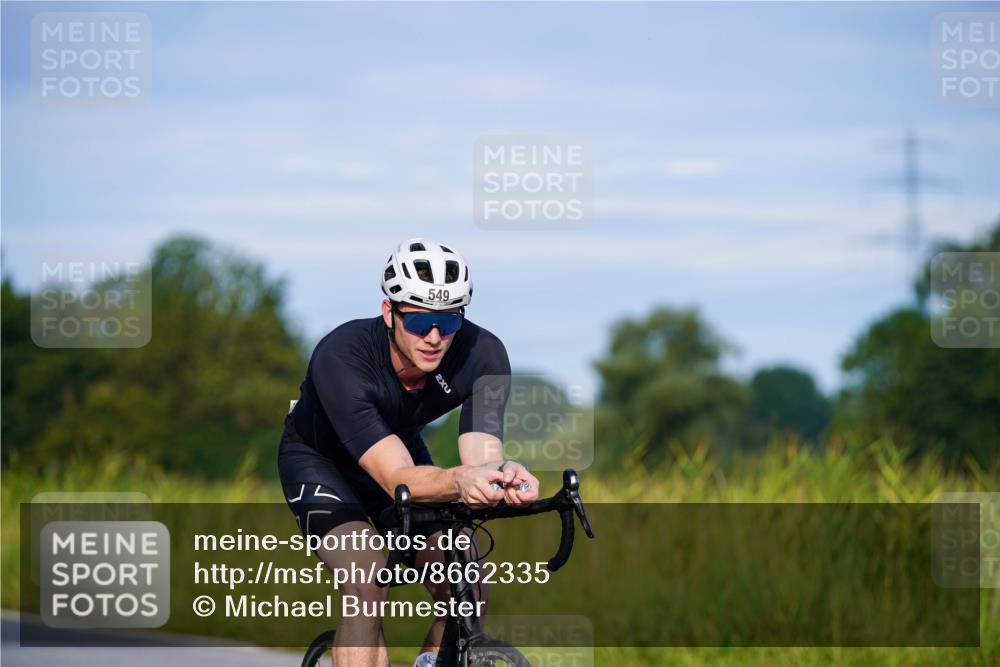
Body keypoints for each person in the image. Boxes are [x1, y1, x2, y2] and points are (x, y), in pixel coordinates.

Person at [278, 238, 539, 667]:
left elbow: (482, 457)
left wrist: (506, 474)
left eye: (448, 322)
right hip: (321, 462)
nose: (434, 338)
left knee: (465, 581)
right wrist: (458, 480)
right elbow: (398, 477)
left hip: (397, 446)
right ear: (389, 312)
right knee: (367, 576)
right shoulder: (341, 355)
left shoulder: (483, 354)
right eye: (418, 323)